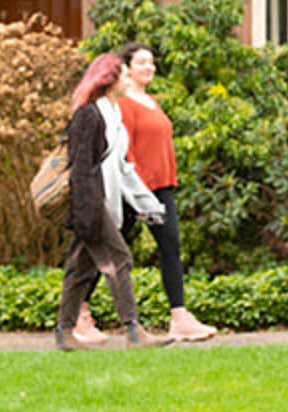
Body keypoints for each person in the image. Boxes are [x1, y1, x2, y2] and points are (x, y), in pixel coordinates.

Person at [71, 42, 218, 344]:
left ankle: (179, 318)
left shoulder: (151, 101)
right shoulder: (124, 105)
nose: (149, 67)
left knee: (170, 247)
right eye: (141, 62)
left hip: (161, 187)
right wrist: (137, 196)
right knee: (107, 250)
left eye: (151, 62)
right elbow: (124, 151)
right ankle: (79, 314)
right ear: (126, 68)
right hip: (135, 191)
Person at [54, 54, 174, 351]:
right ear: (109, 80)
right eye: (123, 75)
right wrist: (86, 214)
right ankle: (133, 331)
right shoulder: (88, 114)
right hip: (91, 206)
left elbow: (122, 167)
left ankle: (65, 333)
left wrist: (148, 206)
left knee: (79, 269)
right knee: (120, 258)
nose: (127, 80)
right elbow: (80, 168)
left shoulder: (113, 114)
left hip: (101, 204)